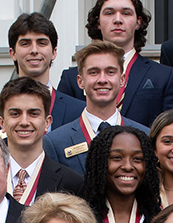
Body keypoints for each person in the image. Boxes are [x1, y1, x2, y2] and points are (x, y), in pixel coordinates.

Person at [56, 0, 173, 126]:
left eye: (126, 13)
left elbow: (172, 131)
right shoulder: (71, 79)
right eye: (109, 13)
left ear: (138, 22)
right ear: (98, 22)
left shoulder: (164, 76)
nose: (117, 20)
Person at [43, 41, 149, 175]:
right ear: (80, 81)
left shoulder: (144, 136)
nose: (102, 79)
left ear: (122, 80)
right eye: (94, 72)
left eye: (110, 72)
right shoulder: (55, 142)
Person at [0, 13, 86, 132]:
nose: (34, 50)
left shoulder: (78, 111)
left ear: (54, 52)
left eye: (42, 43)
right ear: (13, 53)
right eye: (25, 43)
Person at [0, 77, 83, 205]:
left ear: (47, 122)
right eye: (15, 114)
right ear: (2, 123)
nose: (24, 122)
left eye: (33, 114)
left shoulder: (72, 184)